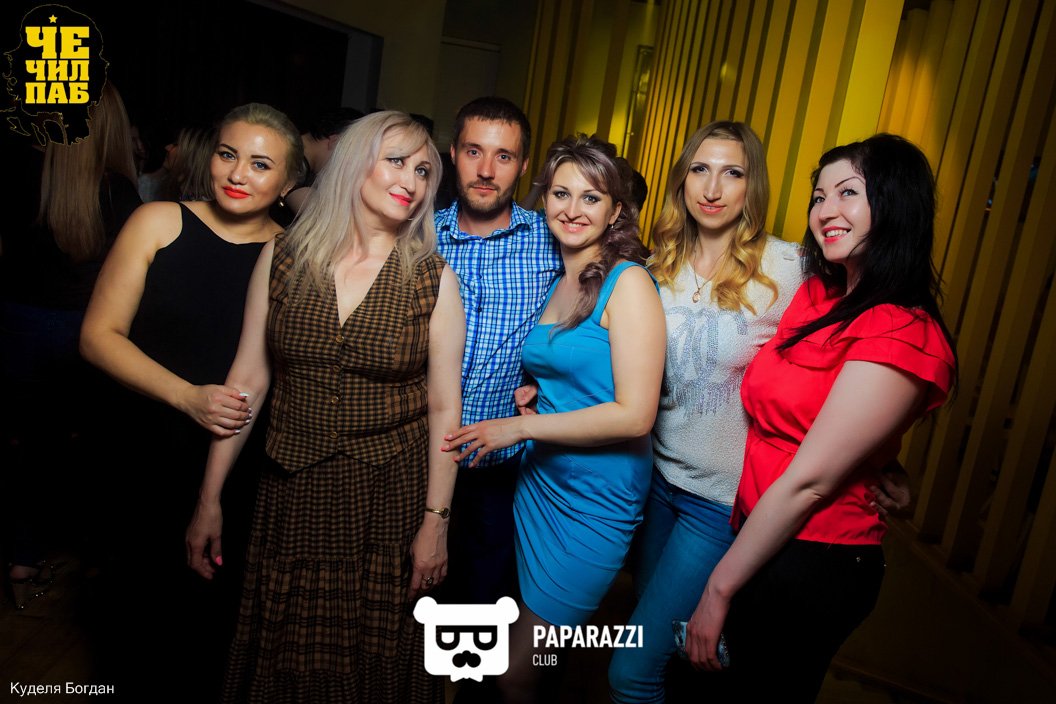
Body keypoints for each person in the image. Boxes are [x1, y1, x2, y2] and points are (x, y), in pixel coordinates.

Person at [185, 110, 464, 703]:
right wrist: (209, 498)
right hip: (293, 495)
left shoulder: (434, 279)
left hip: (386, 502)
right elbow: (247, 381)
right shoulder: (283, 257)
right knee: (286, 656)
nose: (411, 181)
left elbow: (445, 408)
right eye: (397, 162)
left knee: (372, 665)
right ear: (355, 162)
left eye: (423, 171)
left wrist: (435, 523)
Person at [685, 134, 957, 702]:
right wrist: (882, 461)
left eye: (848, 193)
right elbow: (811, 413)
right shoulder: (818, 298)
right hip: (756, 531)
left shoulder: (902, 329)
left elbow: (810, 480)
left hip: (816, 557)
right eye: (818, 196)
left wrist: (718, 589)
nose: (826, 210)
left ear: (895, 204)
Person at [79, 102, 303, 694]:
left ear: (289, 182)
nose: (238, 173)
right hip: (142, 449)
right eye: (228, 154)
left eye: (261, 164)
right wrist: (186, 397)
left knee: (208, 625)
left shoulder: (294, 255)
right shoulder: (158, 221)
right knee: (132, 615)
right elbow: (98, 336)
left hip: (236, 461)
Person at [444, 134, 665, 704]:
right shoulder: (558, 278)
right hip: (539, 486)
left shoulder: (629, 282)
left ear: (616, 211)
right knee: (532, 649)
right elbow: (581, 368)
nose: (572, 209)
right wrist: (539, 393)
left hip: (595, 502)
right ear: (544, 199)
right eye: (561, 193)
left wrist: (519, 426)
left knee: (516, 671)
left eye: (591, 198)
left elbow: (635, 415)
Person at [607, 121, 807, 703]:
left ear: (752, 186)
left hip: (721, 501)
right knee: (669, 655)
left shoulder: (789, 267)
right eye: (700, 169)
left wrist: (880, 458)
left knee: (631, 672)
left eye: (732, 173)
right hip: (656, 485)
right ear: (682, 180)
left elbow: (839, 365)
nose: (713, 188)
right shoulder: (655, 266)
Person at [1, 82, 140, 607]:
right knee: (92, 448)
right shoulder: (119, 193)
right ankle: (95, 560)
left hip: (16, 323)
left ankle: (23, 557)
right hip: (87, 331)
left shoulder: (20, 173)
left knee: (28, 444)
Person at [434, 96, 562, 607]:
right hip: (416, 457)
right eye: (474, 152)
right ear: (452, 154)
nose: (486, 170)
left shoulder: (552, 241)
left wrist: (551, 387)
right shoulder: (418, 236)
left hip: (502, 469)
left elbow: (597, 325)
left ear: (523, 165)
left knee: (480, 607)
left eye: (503, 156)